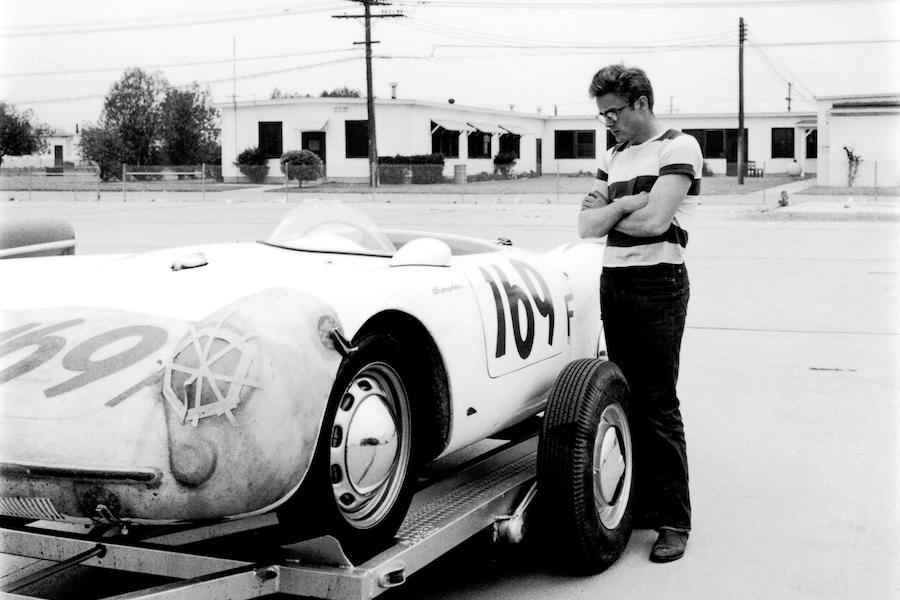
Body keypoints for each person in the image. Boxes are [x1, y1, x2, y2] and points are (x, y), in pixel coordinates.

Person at [578, 64, 701, 563]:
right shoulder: (613, 155)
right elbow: (587, 225)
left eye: (614, 112)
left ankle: (674, 521)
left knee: (657, 401)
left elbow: (655, 223)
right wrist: (629, 203)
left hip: (658, 286)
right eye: (602, 114)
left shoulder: (678, 147)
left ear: (642, 103)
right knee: (625, 395)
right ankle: (640, 505)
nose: (608, 122)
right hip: (616, 282)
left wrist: (618, 208)